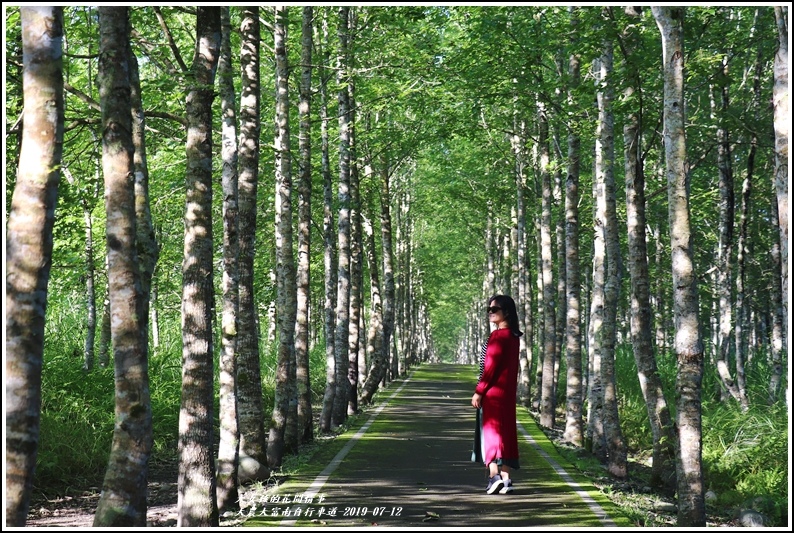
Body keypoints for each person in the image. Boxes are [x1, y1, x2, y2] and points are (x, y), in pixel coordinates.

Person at [471, 294, 522, 494]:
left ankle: (494, 477)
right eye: (489, 310)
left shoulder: (498, 336)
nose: (490, 313)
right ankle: (506, 478)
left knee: (490, 434)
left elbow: (490, 368)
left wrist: (479, 391)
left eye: (495, 310)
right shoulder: (513, 337)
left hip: (493, 394)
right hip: (507, 394)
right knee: (507, 433)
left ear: (506, 312)